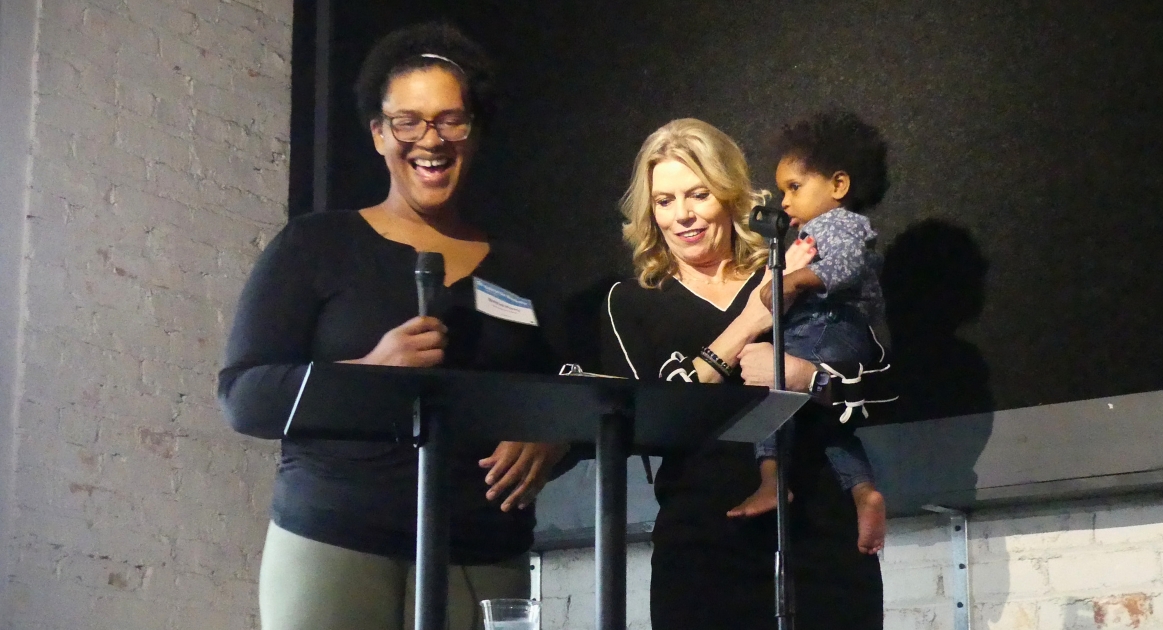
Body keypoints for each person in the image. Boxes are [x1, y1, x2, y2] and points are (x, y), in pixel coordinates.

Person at [218, 23, 566, 630]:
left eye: (450, 119)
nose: (429, 139)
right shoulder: (315, 245)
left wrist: (552, 436)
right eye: (407, 121)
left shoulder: (522, 271)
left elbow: (569, 388)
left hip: (482, 551)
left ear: (474, 132)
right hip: (335, 542)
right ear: (379, 134)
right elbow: (244, 398)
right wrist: (368, 372)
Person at [601, 118, 888, 629]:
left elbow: (880, 382)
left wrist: (808, 376)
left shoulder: (793, 264)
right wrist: (751, 322)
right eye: (664, 201)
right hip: (704, 549)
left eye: (698, 195)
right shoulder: (633, 301)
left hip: (819, 534)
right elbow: (658, 420)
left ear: (730, 195)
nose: (683, 215)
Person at [729, 109, 892, 556]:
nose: (784, 202)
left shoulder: (838, 224)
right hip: (832, 333)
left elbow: (846, 266)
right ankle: (864, 491)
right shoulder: (819, 228)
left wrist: (793, 281)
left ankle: (771, 480)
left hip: (828, 328)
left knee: (770, 403)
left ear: (838, 186)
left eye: (794, 188)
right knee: (829, 429)